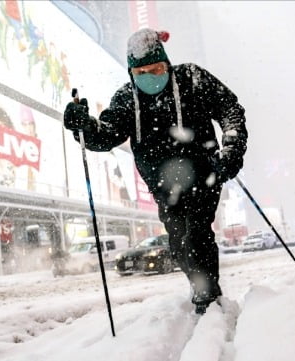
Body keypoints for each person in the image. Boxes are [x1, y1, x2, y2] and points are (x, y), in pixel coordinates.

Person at [63, 29, 248, 314]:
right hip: (163, 184)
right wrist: (85, 127)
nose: (151, 76)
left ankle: (207, 297)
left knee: (197, 234)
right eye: (142, 71)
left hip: (204, 174)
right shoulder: (127, 99)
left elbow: (229, 109)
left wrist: (232, 148)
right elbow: (107, 134)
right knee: (178, 244)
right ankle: (201, 285)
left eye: (158, 68)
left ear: (168, 64)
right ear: (131, 72)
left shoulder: (192, 79)